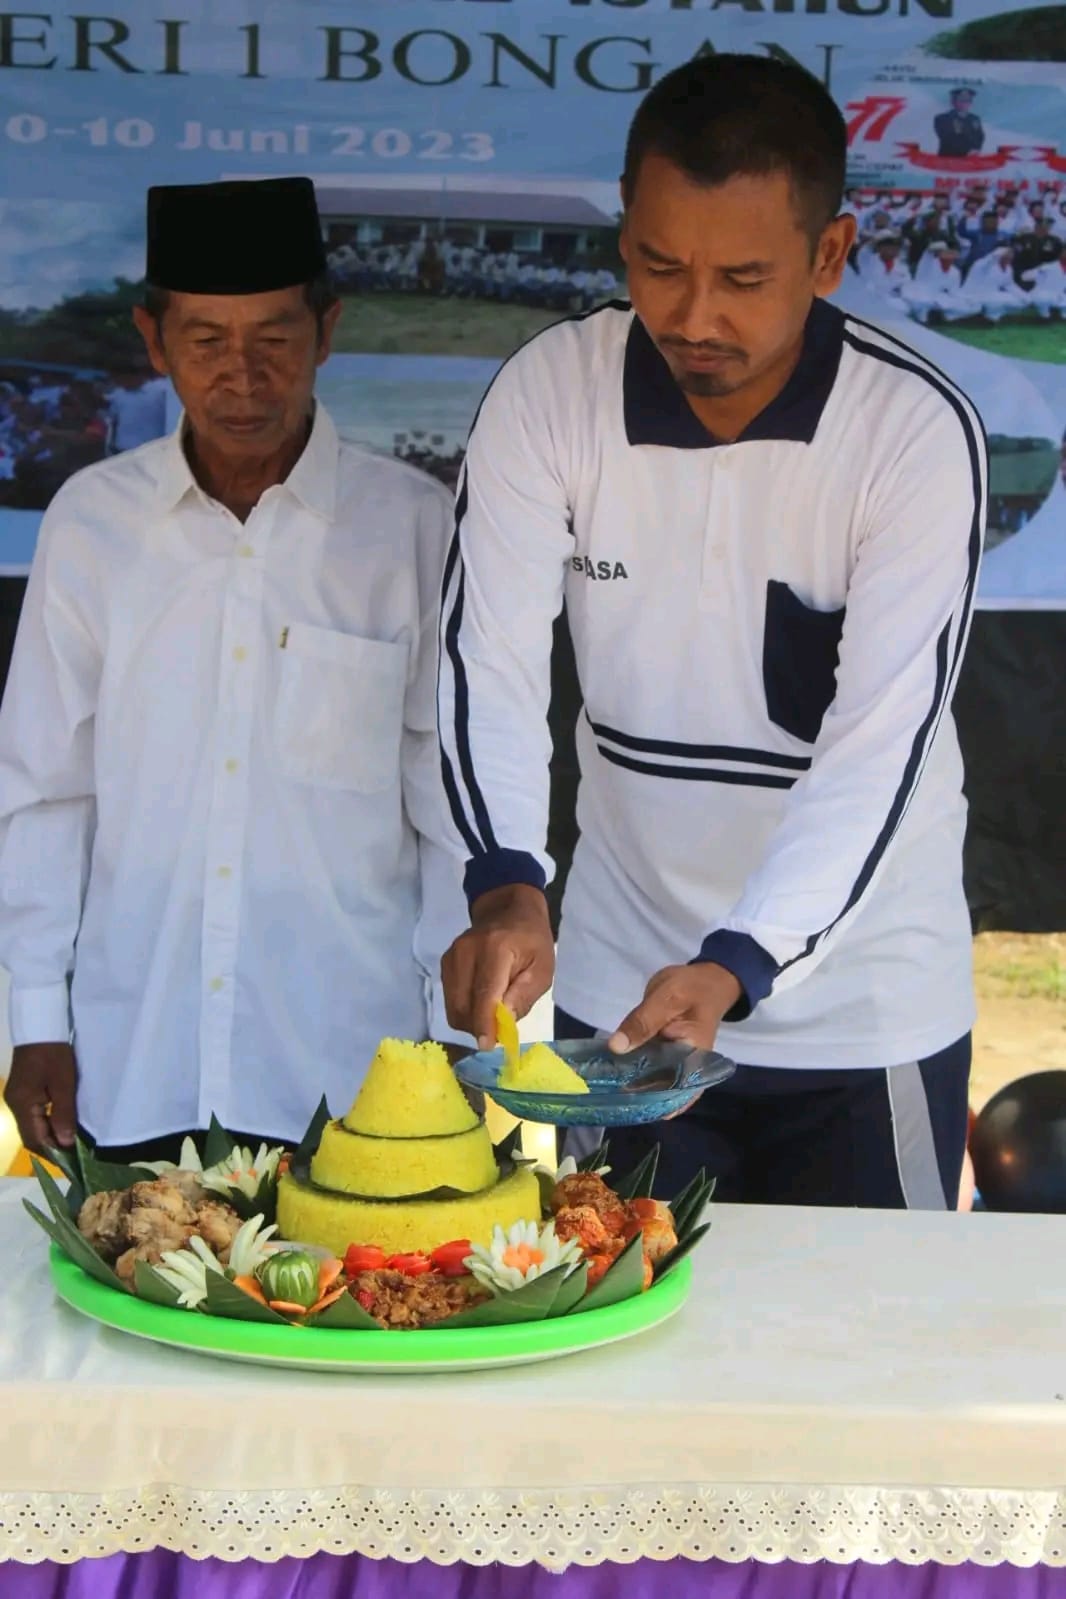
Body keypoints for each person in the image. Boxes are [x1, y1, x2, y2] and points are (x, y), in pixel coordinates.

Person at [437, 54, 986, 1210]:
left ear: (828, 256)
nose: (692, 316)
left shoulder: (910, 433)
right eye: (656, 265)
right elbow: (486, 661)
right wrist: (505, 883)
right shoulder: (549, 393)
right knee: (626, 1353)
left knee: (864, 1371)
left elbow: (880, 746)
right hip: (627, 1006)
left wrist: (741, 963)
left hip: (861, 1008)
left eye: (742, 276)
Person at [0, 177, 464, 1163]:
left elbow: (447, 806)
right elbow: (43, 789)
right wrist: (36, 1019)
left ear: (327, 331)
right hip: (132, 1062)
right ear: (155, 340)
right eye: (206, 340)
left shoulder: (410, 529)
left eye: (274, 338)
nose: (242, 378)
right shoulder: (93, 524)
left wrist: (456, 1044)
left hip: (351, 1073)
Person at [934, 89, 984, 159]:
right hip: (947, 160)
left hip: (971, 161)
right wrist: (967, 150)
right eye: (961, 99)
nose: (965, 103)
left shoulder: (975, 119)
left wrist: (975, 149)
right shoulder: (942, 118)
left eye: (968, 100)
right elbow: (948, 138)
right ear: (953, 101)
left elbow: (980, 136)